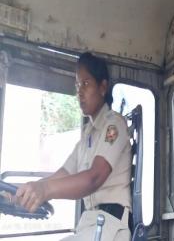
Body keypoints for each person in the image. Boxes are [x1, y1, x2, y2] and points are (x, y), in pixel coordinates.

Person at [15, 52, 132, 241]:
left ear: (102, 87)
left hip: (111, 225)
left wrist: (45, 190)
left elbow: (94, 178)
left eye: (86, 83)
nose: (79, 91)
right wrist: (25, 192)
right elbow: (64, 173)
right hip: (89, 224)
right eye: (77, 85)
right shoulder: (87, 135)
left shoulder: (114, 124)